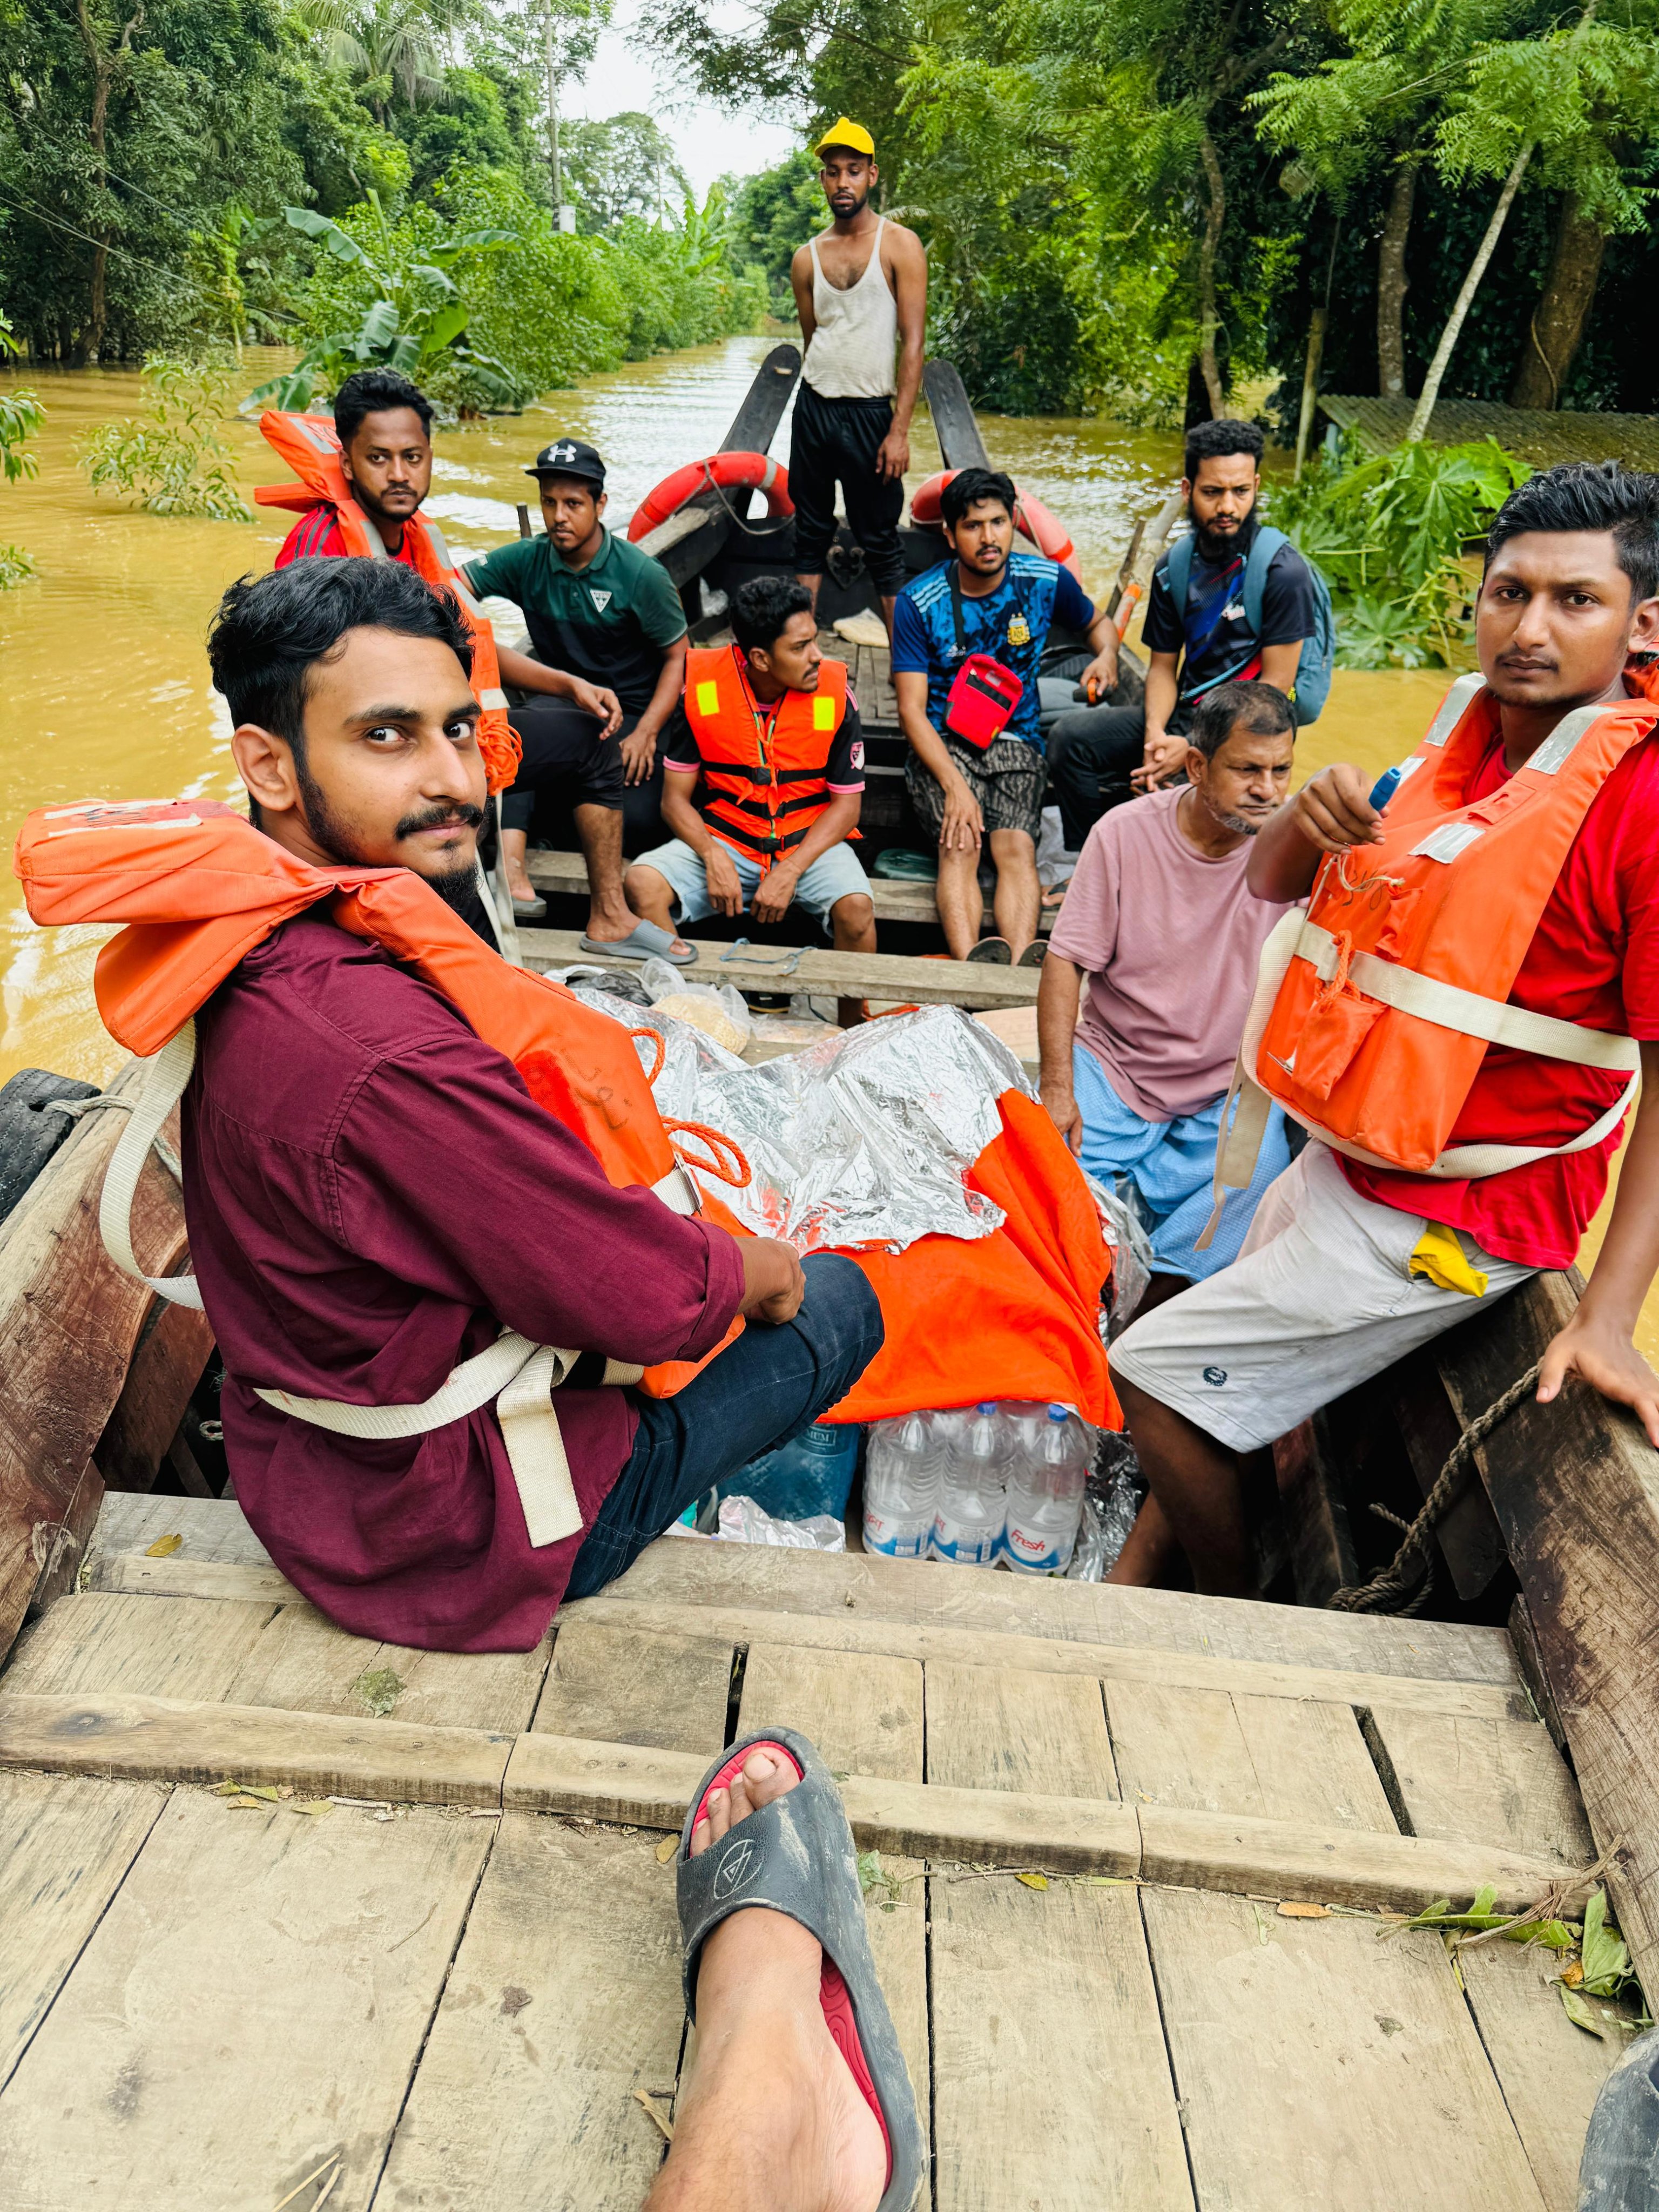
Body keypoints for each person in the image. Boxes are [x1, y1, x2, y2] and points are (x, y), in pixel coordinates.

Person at [190, 556, 883, 1650]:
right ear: (269, 766)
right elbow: (645, 1299)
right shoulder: (386, 1054)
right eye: (387, 736)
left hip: (311, 1471)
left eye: (459, 730)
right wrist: (760, 1270)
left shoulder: (251, 930)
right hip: (458, 1530)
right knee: (841, 1298)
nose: (455, 778)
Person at [1108, 460, 1659, 1598]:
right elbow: (1268, 884)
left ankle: (1234, 1606)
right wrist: (1306, 824)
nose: (1531, 628)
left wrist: (1608, 1316)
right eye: (1510, 592)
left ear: (1642, 621)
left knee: (1153, 1379)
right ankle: (1131, 1576)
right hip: (1353, 1162)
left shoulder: (1640, 805)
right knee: (1200, 1376)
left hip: (1464, 1212)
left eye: (1577, 600)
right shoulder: (1464, 747)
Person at [274, 376, 665, 956]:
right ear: (349, 463)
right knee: (460, 887)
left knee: (591, 740)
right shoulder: (320, 551)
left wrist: (569, 683)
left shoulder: (417, 541)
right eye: (379, 458)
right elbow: (292, 694)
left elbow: (471, 644)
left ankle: (609, 916)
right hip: (373, 765)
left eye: (412, 457)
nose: (399, 474)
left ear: (430, 458)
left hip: (439, 742)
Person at [1038, 681, 1297, 1289]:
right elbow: (1066, 961)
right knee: (1039, 1175)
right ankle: (1078, 1281)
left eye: (1282, 770)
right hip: (1117, 1065)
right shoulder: (1124, 834)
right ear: (1198, 766)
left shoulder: (1297, 852)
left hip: (1224, 1088)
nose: (1268, 790)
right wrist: (1056, 1085)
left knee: (1264, 1182)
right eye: (1248, 769)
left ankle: (1154, 1301)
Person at [464, 437, 693, 957]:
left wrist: (648, 732)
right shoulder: (528, 560)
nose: (559, 517)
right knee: (509, 735)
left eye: (573, 504)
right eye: (550, 503)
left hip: (629, 710)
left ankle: (546, 832)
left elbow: (679, 657)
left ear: (601, 505)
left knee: (640, 820)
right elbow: (451, 593)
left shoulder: (640, 575)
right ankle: (516, 872)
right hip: (562, 699)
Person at [1049, 419, 1318, 849]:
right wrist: (1157, 737)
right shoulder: (1174, 569)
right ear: (1187, 489)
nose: (1228, 506)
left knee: (1191, 796)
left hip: (1247, 732)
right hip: (1184, 718)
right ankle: (1088, 861)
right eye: (1212, 492)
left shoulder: (1282, 573)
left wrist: (1192, 748)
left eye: (1241, 492)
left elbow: (1276, 687)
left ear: (1256, 485)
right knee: (1070, 742)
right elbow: (1161, 669)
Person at [892, 467, 1120, 964]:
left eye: (998, 522)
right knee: (962, 846)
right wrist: (955, 788)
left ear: (1013, 521)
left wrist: (1106, 656)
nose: (988, 537)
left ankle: (1015, 968)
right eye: (973, 526)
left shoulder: (1044, 580)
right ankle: (972, 966)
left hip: (1016, 743)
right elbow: (910, 709)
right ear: (950, 534)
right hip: (944, 746)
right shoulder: (918, 602)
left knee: (1016, 847)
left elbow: (1098, 625)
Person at [625, 577, 876, 1026]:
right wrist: (711, 854)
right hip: (728, 838)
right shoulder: (701, 693)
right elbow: (674, 803)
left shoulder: (837, 697)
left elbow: (847, 809)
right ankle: (686, 1017)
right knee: (643, 883)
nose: (817, 656)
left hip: (808, 843)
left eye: (814, 642)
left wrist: (792, 869)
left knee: (857, 909)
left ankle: (850, 1025)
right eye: (800, 648)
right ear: (760, 658)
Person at [790, 120, 928, 639]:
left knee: (880, 537)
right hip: (816, 409)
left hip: (872, 413)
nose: (842, 182)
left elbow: (912, 343)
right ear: (823, 181)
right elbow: (814, 339)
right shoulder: (807, 258)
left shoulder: (900, 246)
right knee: (809, 531)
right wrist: (816, 406)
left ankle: (902, 658)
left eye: (853, 171)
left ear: (872, 175)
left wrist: (899, 430)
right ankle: (800, 642)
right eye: (832, 173)